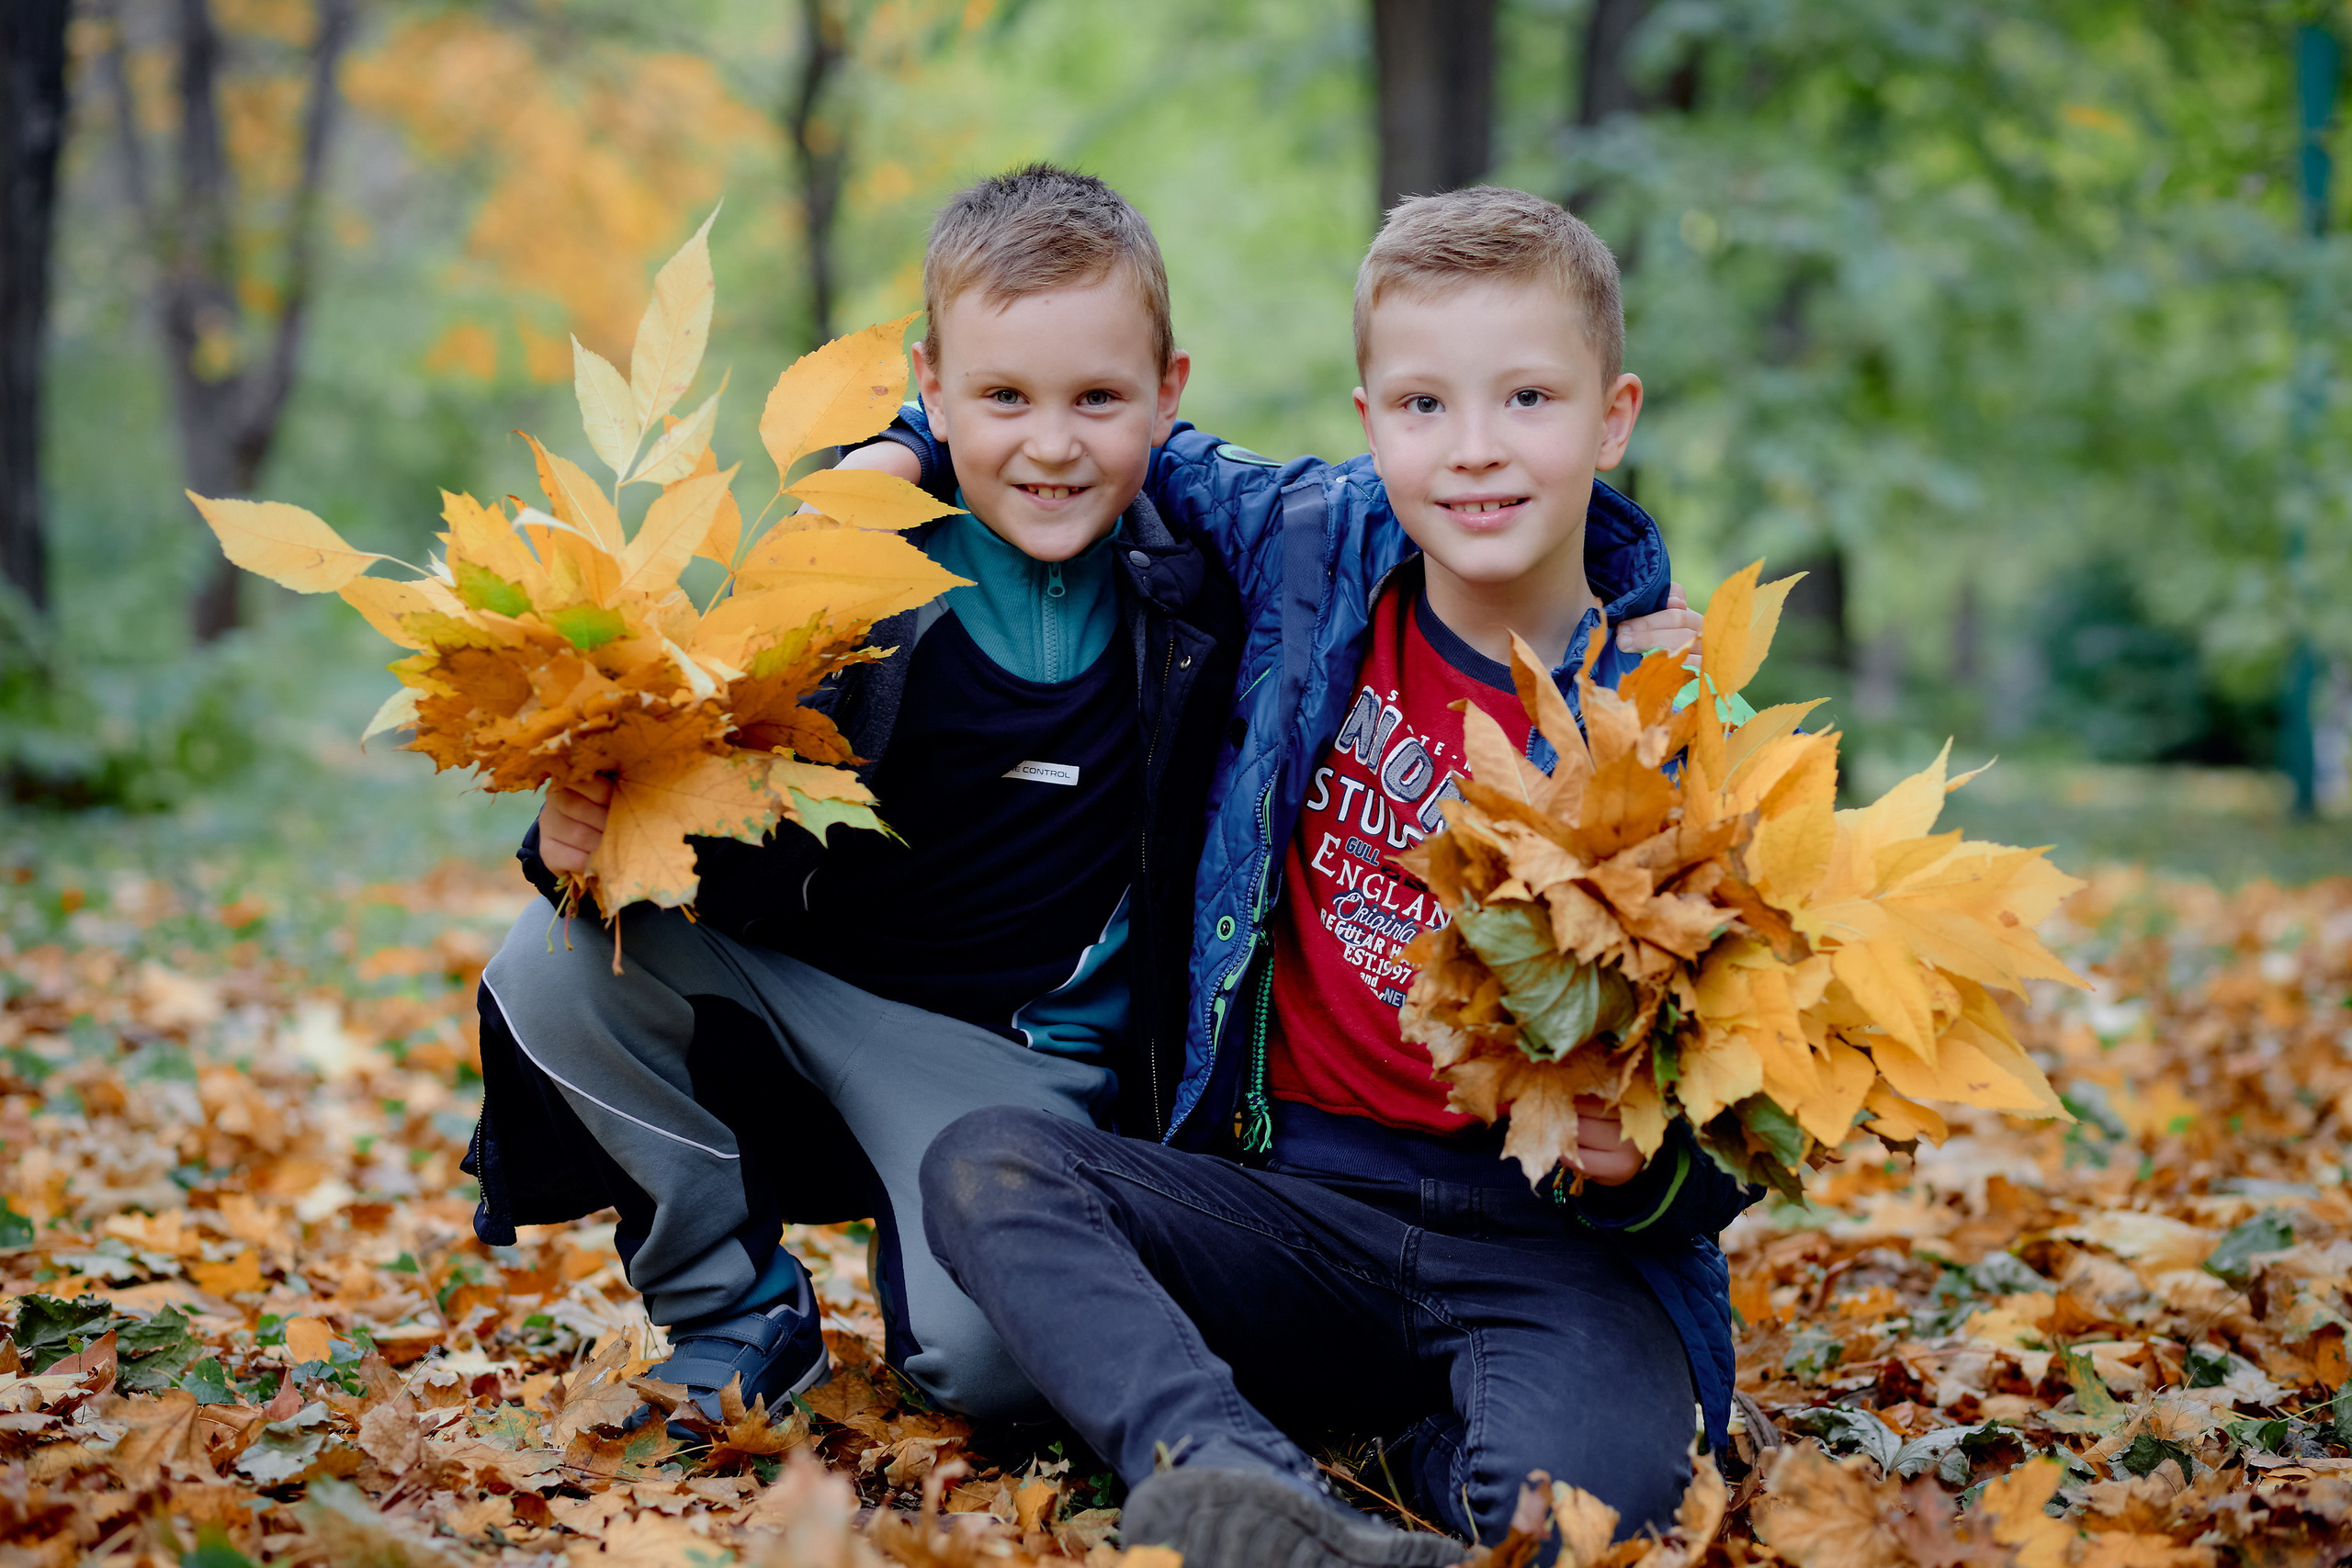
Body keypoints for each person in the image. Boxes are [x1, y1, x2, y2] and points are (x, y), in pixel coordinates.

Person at [910, 187, 1759, 1567]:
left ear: (1614, 418)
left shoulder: (1670, 724)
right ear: (1370, 424)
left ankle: (1396, 1475)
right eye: (1425, 406)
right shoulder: (1307, 552)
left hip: (1538, 1243)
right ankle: (1235, 1480)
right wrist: (905, 436)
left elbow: (1749, 1104)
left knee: (1594, 1519)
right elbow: (1105, 420)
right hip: (1289, 1205)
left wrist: (1650, 1170)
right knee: (991, 1167)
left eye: (1530, 399)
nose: (1476, 452)